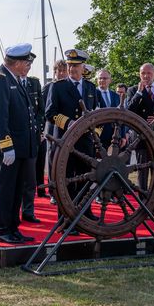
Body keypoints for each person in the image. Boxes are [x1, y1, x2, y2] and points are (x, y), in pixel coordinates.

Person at [0, 43, 38, 244]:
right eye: (27, 62)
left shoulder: (15, 79)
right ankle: (2, 230)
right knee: (6, 190)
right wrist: (7, 146)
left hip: (21, 148)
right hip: (8, 148)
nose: (28, 65)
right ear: (16, 62)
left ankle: (13, 228)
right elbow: (0, 117)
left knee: (17, 190)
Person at [46, 49, 100, 227]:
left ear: (83, 67)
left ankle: (85, 212)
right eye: (69, 65)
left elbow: (98, 114)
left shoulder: (91, 88)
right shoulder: (58, 87)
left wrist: (94, 133)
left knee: (86, 178)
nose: (72, 69)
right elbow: (50, 113)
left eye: (76, 66)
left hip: (85, 142)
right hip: (64, 141)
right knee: (66, 180)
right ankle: (65, 218)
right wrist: (69, 124)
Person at [126, 63, 154, 218]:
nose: (146, 76)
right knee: (142, 173)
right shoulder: (132, 90)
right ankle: (144, 206)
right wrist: (139, 93)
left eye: (149, 73)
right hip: (141, 138)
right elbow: (128, 112)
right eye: (143, 73)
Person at [19, 56, 43, 224]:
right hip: (17, 137)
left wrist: (37, 128)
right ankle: (14, 212)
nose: (27, 66)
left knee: (30, 177)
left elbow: (41, 110)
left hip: (32, 137)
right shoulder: (10, 82)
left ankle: (28, 211)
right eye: (25, 63)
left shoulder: (34, 84)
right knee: (16, 178)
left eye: (30, 64)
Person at [40, 60, 68, 203]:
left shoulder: (71, 87)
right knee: (53, 159)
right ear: (55, 72)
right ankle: (53, 192)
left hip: (68, 129)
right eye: (59, 71)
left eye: (64, 70)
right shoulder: (48, 87)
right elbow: (44, 111)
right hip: (52, 128)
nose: (62, 73)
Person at [95, 69, 124, 149]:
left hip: (115, 135)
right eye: (100, 78)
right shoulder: (93, 95)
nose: (102, 80)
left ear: (110, 80)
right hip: (98, 136)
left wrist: (123, 136)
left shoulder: (116, 96)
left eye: (105, 78)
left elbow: (122, 116)